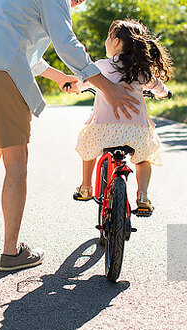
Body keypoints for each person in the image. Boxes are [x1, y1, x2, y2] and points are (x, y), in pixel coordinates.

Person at [0, 0, 140, 271]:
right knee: (16, 161)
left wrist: (60, 76)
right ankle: (11, 252)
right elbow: (66, 42)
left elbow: (22, 50)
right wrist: (105, 87)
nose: (80, 0)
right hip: (0, 69)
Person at [72, 19, 173, 216]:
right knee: (143, 159)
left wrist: (74, 87)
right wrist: (165, 93)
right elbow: (158, 87)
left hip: (103, 129)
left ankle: (85, 187)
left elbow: (83, 81)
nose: (106, 41)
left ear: (116, 42)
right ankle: (142, 196)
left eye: (109, 37)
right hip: (136, 132)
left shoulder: (100, 66)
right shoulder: (140, 71)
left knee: (88, 149)